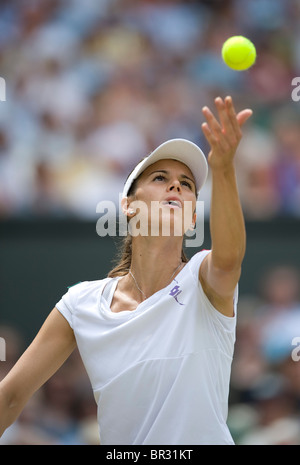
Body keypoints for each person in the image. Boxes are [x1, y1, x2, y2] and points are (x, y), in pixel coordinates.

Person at [0, 96, 252, 445]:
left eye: (187, 184)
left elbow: (228, 260)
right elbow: (10, 397)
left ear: (193, 217)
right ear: (129, 206)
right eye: (161, 177)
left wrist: (223, 169)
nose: (176, 186)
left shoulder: (203, 278)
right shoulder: (80, 304)